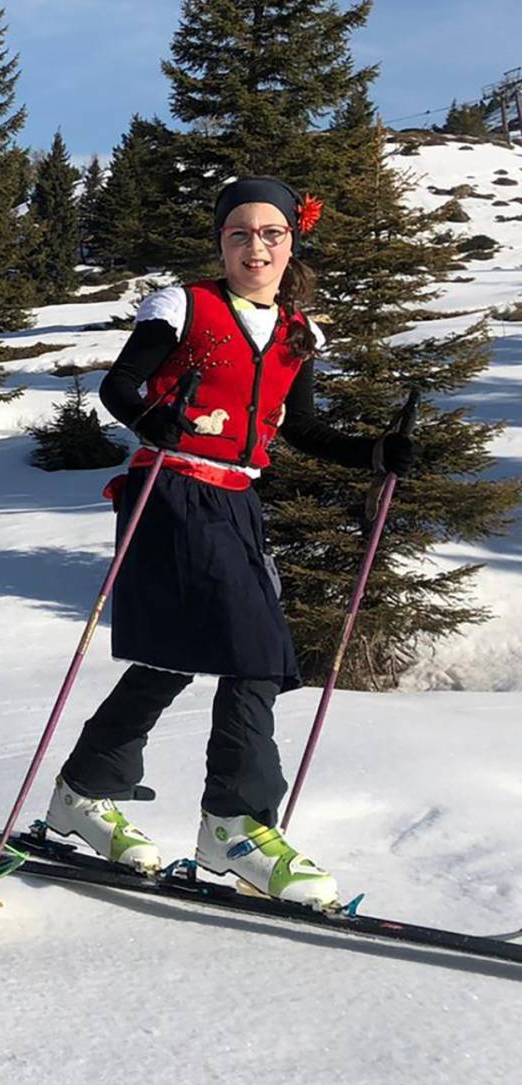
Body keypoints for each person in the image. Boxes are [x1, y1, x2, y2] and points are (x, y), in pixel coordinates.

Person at [46, 178, 414, 908]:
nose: (256, 246)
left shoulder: (297, 332)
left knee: (175, 655)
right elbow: (122, 388)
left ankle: (82, 794)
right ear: (221, 244)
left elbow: (301, 431)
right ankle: (235, 824)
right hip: (171, 491)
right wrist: (156, 422)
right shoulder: (184, 307)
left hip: (237, 500)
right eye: (240, 233)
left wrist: (376, 453)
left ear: (290, 244)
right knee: (256, 650)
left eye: (271, 233)